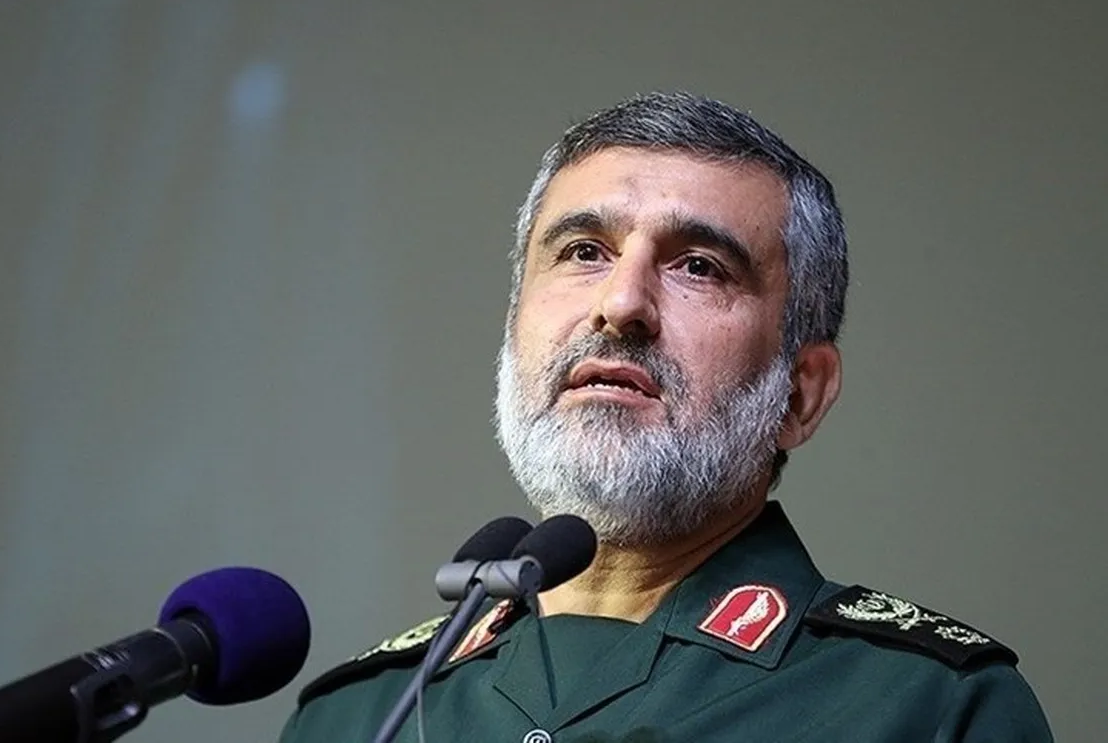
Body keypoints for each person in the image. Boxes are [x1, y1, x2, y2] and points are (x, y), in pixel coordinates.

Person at [278, 92, 1052, 742]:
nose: (621, 304)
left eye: (699, 266)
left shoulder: (926, 707)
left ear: (800, 394)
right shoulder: (359, 716)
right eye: (584, 251)